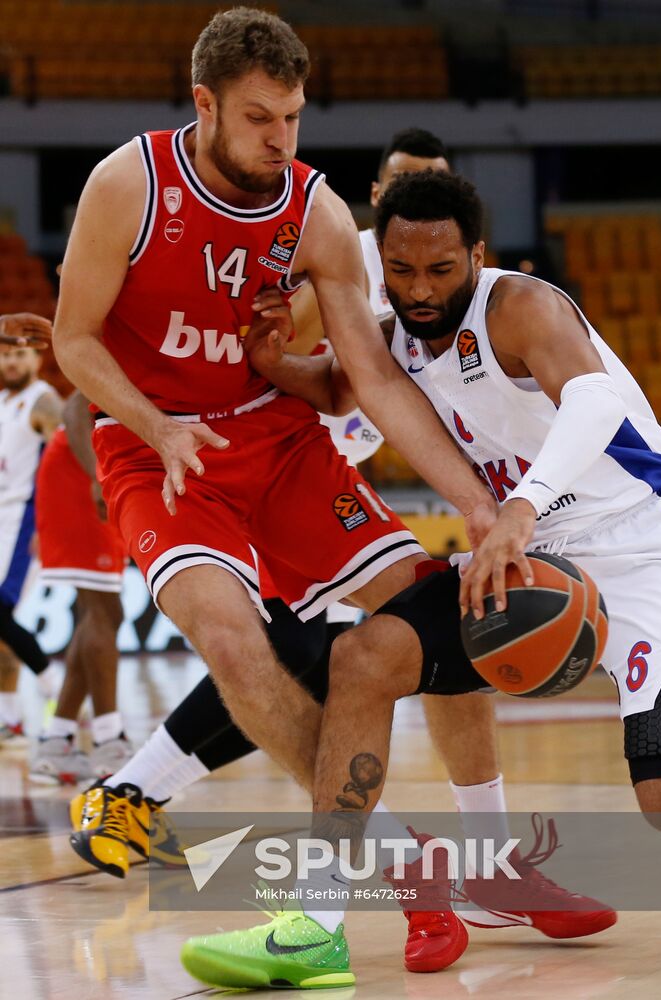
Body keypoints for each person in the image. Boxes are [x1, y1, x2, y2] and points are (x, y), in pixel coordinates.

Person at [52, 8, 506, 989]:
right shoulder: (127, 185)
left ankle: (495, 855)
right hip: (158, 447)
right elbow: (73, 338)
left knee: (432, 600)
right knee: (231, 645)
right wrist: (155, 420)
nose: (281, 140)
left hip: (280, 438)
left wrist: (473, 499)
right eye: (260, 118)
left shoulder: (317, 211)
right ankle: (396, 859)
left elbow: (371, 382)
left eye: (293, 117)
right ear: (204, 102)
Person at [230, 169, 661, 934]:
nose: (420, 289)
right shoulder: (395, 326)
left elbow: (594, 399)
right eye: (401, 271)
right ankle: (316, 920)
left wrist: (520, 508)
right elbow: (345, 388)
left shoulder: (520, 307)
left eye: (440, 269)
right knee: (363, 659)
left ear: (476, 253)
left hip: (639, 546)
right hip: (524, 552)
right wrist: (279, 367)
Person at [29, 390, 133, 783]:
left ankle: (56, 744)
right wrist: (96, 476)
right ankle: (110, 743)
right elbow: (75, 406)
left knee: (99, 613)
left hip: (93, 468)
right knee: (104, 610)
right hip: (83, 470)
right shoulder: (131, 339)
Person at [0, 334, 63, 740]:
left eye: (19, 355)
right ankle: (12, 720)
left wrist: (50, 522)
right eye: (5, 355)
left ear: (37, 359)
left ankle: (53, 687)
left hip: (23, 522)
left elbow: (66, 462)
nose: (11, 363)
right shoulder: (3, 402)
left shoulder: (45, 400)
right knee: (3, 633)